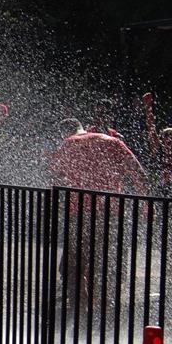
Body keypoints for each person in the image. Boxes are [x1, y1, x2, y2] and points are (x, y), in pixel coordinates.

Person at [49, 118, 148, 311]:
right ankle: (106, 305)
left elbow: (55, 179)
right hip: (111, 211)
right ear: (82, 128)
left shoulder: (68, 144)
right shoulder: (112, 142)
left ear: (64, 133)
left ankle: (79, 305)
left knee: (75, 260)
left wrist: (57, 204)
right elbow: (138, 173)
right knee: (108, 259)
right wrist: (146, 203)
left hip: (80, 211)